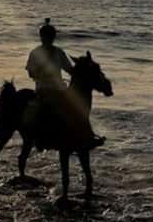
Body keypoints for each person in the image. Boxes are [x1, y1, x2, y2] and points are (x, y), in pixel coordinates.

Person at [25, 19, 103, 150]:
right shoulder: (35, 53)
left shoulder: (59, 52)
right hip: (43, 88)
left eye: (51, 36)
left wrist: (83, 67)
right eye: (47, 36)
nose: (49, 39)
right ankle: (40, 138)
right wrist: (41, 73)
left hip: (60, 88)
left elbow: (70, 70)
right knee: (45, 110)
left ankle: (87, 135)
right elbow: (30, 73)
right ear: (42, 37)